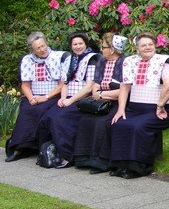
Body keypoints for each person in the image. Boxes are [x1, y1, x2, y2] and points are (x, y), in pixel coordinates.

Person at [109, 32, 169, 179]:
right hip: (135, 108)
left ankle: (140, 167)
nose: (148, 47)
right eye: (143, 45)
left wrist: (160, 105)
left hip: (160, 110)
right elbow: (125, 86)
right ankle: (121, 165)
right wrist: (121, 109)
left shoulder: (164, 63)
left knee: (138, 127)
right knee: (119, 123)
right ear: (137, 48)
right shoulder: (130, 62)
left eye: (150, 44)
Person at [37, 32, 99, 168]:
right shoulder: (68, 60)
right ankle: (46, 152)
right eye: (75, 44)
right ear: (71, 46)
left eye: (80, 44)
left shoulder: (92, 59)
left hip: (82, 99)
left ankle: (67, 155)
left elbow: (89, 87)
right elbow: (64, 83)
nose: (78, 47)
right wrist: (63, 98)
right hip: (68, 98)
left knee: (60, 119)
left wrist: (70, 101)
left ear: (85, 44)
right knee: (46, 117)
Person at [5, 32, 64, 162]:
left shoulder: (57, 57)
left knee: (41, 110)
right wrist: (31, 97)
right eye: (38, 48)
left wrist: (46, 97)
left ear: (46, 43)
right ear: (32, 49)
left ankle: (38, 146)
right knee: (26, 109)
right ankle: (20, 147)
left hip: (52, 95)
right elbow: (25, 85)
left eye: (43, 46)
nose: (42, 50)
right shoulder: (27, 60)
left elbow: (62, 85)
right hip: (34, 95)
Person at [73, 33, 128, 174]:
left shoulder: (124, 63)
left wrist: (102, 94)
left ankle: (100, 162)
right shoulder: (102, 61)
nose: (101, 50)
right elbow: (96, 82)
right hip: (100, 101)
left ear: (112, 49)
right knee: (86, 120)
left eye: (103, 47)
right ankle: (84, 159)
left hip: (116, 102)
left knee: (102, 123)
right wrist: (97, 91)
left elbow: (123, 90)